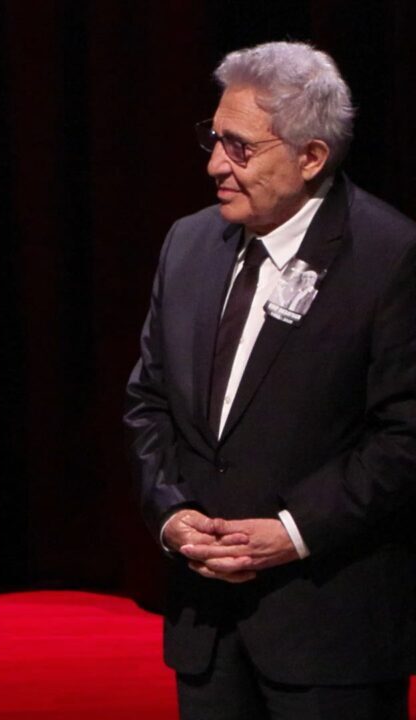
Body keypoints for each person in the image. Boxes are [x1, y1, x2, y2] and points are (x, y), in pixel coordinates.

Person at [125, 41, 416, 719]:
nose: (214, 164)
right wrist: (171, 515)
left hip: (329, 632)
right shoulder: (188, 243)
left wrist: (292, 530)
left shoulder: (391, 256)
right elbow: (148, 402)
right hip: (207, 623)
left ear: (311, 157)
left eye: (240, 147)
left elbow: (404, 435)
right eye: (213, 137)